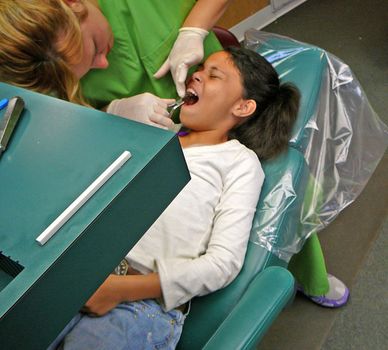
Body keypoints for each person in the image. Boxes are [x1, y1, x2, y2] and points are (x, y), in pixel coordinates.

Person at [47, 46, 300, 349]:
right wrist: (114, 114)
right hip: (80, 269)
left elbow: (222, 264)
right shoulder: (157, 134)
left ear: (243, 107)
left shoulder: (239, 163)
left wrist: (120, 289)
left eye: (213, 75)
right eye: (201, 69)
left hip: (140, 305)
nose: (197, 75)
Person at [0, 0, 231, 129]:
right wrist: (111, 113)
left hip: (230, 113)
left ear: (73, 3)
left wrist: (194, 29)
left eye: (96, 46)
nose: (102, 63)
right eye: (86, 71)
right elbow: (68, 129)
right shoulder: (32, 72)